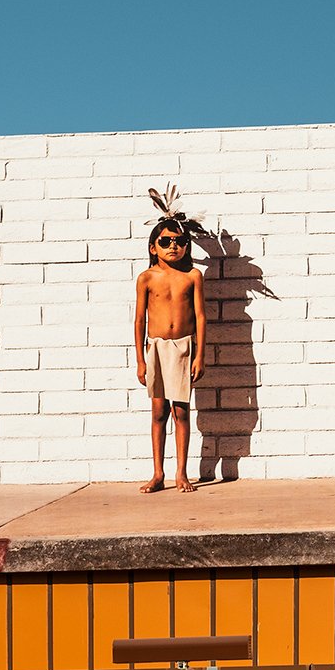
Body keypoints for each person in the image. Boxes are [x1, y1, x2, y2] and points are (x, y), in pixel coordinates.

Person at [130, 202, 206, 493]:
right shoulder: (147, 278)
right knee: (159, 411)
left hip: (184, 348)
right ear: (153, 247)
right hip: (157, 349)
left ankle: (181, 473)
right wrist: (140, 359)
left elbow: (200, 317)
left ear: (186, 246)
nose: (173, 246)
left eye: (179, 241)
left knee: (182, 411)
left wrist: (199, 355)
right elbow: (139, 320)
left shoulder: (193, 277)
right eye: (165, 241)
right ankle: (158, 472)